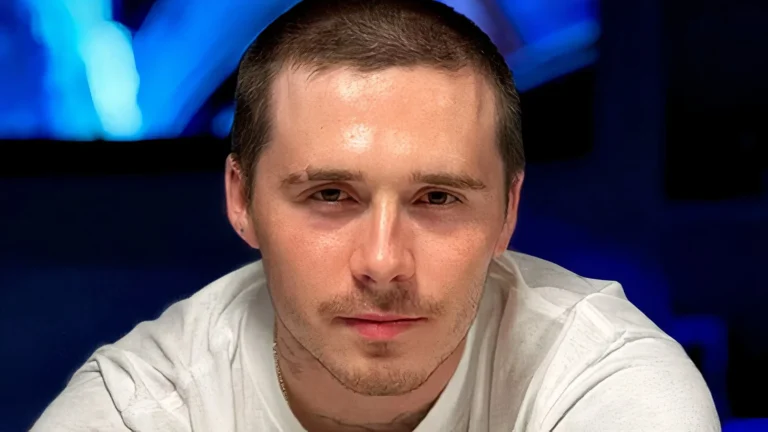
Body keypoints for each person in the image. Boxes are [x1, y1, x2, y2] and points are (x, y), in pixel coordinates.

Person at [33, 1, 720, 431]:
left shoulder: (605, 383)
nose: (384, 262)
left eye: (438, 198)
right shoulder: (140, 409)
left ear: (508, 211)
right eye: (330, 196)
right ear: (241, 200)